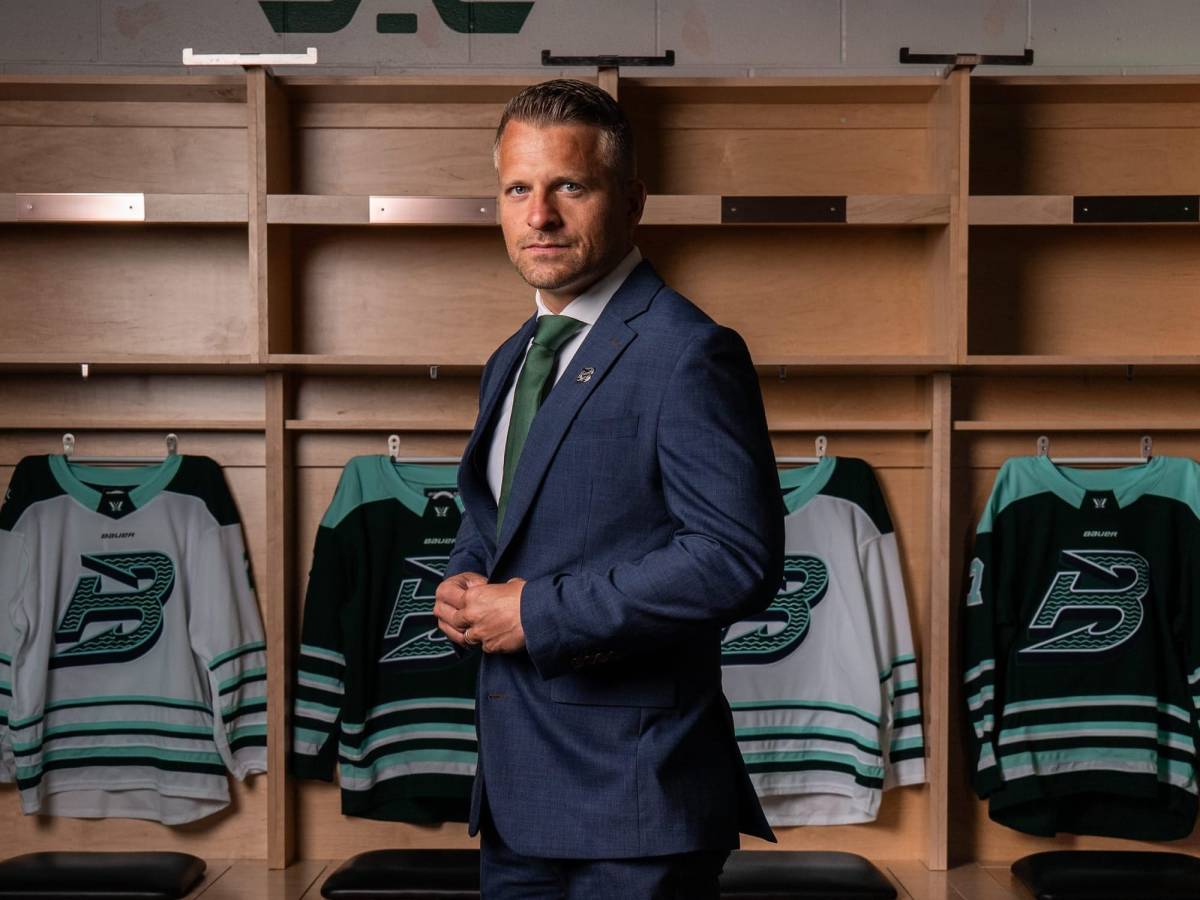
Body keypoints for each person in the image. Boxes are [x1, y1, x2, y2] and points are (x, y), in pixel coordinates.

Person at [433, 78, 784, 899]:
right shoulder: (514, 356)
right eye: (518, 188)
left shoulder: (689, 351)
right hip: (518, 799)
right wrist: (464, 579)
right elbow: (504, 526)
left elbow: (736, 559)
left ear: (631, 201)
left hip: (637, 802)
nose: (540, 215)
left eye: (570, 187)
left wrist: (536, 613)